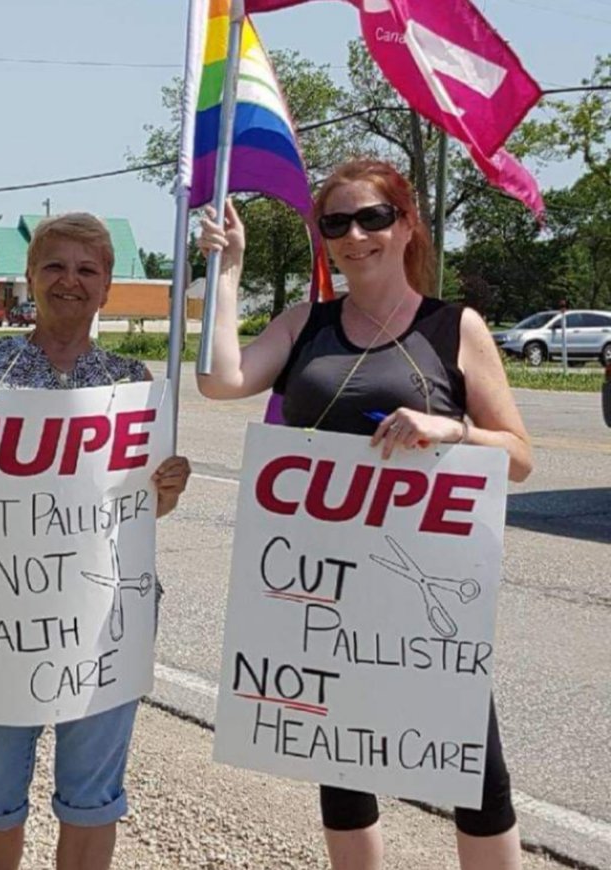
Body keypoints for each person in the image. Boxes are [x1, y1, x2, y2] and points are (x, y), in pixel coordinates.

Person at [195, 158, 532, 870]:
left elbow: (520, 456)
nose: (355, 235)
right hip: (326, 588)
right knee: (342, 767)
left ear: (406, 226)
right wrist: (228, 270)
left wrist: (452, 430)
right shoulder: (306, 324)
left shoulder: (454, 327)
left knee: (474, 771)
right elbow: (222, 380)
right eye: (336, 223)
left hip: (427, 593)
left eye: (373, 218)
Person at [0, 212, 192, 870]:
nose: (71, 280)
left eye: (87, 269)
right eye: (55, 266)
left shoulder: (131, 382)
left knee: (93, 794)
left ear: (107, 287)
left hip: (105, 623)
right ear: (31, 277)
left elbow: (148, 508)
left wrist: (169, 486)